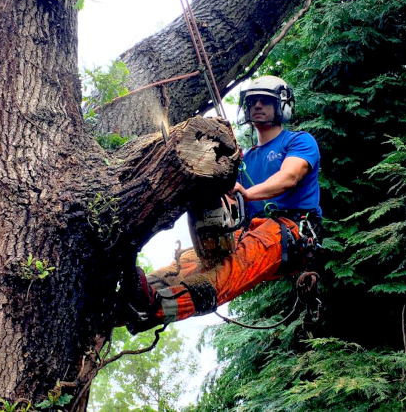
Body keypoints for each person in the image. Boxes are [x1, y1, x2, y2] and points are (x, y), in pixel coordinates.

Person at [123, 75, 322, 334]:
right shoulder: (245, 158)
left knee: (228, 272)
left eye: (264, 101)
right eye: (252, 102)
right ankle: (131, 298)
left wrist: (248, 194)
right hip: (247, 229)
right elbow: (230, 200)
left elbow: (289, 177)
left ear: (281, 105)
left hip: (288, 229)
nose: (257, 106)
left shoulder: (298, 141)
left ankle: (157, 308)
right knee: (184, 264)